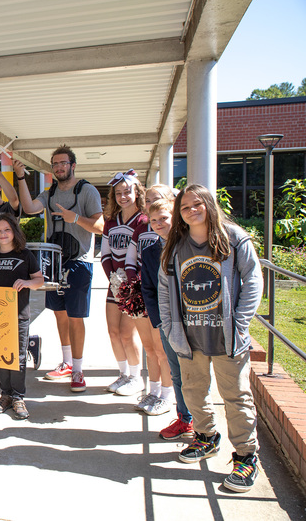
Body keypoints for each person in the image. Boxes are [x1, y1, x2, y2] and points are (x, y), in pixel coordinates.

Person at [158, 184, 263, 493]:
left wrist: (241, 323)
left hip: (227, 336)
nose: (191, 210)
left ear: (209, 205)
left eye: (197, 204)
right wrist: (170, 327)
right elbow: (165, 290)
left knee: (236, 397)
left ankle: (245, 456)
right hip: (190, 337)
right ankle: (207, 438)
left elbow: (253, 279)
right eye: (185, 207)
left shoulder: (233, 239)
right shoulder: (176, 246)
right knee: (193, 391)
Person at [13, 145, 104, 392]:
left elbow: (100, 226)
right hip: (54, 262)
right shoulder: (50, 192)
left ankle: (78, 369)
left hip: (79, 261)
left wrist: (75, 218)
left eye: (63, 163)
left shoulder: (87, 191)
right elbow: (30, 208)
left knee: (76, 317)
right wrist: (21, 177)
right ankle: (65, 362)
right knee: (59, 314)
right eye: (55, 164)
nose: (59, 167)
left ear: (73, 165)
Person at [0, 213, 44, 419]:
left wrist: (26, 283)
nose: (3, 234)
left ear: (14, 232)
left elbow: (39, 280)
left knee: (17, 357)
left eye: (7, 229)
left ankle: (18, 396)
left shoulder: (25, 255)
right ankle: (5, 394)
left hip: (18, 315)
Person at [142, 198, 194, 439]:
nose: (158, 224)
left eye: (163, 218)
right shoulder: (151, 253)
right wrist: (160, 322)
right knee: (176, 373)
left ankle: (204, 424)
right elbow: (148, 290)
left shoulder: (191, 245)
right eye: (153, 221)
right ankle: (185, 419)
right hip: (168, 322)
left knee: (197, 373)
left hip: (195, 321)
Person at [124, 185, 177, 415]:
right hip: (148, 298)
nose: (151, 205)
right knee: (150, 348)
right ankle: (154, 391)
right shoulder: (145, 237)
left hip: (170, 306)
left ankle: (167, 393)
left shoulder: (179, 242)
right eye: (148, 202)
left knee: (163, 350)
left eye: (157, 200)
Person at [100, 171, 147, 397]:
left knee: (128, 333)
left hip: (135, 285)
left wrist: (131, 282)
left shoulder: (144, 220)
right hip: (116, 283)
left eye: (127, 192)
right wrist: (113, 279)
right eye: (118, 193)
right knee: (113, 331)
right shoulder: (110, 221)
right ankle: (123, 374)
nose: (123, 197)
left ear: (137, 193)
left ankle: (136, 377)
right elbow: (105, 254)